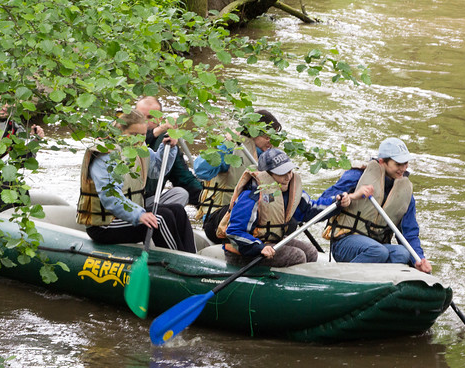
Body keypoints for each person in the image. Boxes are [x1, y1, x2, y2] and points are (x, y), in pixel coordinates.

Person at [76, 110, 196, 253]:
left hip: (126, 216)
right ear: (120, 129)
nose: (139, 140)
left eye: (143, 135)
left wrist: (168, 147)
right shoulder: (106, 154)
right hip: (105, 225)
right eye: (133, 135)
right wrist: (139, 214)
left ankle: (192, 258)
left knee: (177, 210)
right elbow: (110, 196)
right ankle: (178, 264)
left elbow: (156, 170)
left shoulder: (138, 147)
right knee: (160, 219)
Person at [217, 148, 350, 268]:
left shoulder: (289, 190)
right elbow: (234, 232)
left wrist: (335, 202)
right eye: (281, 173)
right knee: (297, 256)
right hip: (244, 252)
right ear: (267, 175)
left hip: (270, 243)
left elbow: (309, 210)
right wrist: (259, 247)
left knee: (310, 251)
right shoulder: (251, 196)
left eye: (289, 171)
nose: (287, 177)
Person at [320, 137, 432, 273]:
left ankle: (378, 283)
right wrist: (347, 198)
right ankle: (344, 278)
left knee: (402, 253)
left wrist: (418, 260)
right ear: (382, 161)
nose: (403, 168)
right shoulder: (357, 176)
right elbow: (323, 202)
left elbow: (410, 234)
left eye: (406, 163)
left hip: (378, 248)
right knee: (378, 251)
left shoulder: (404, 193)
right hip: (346, 243)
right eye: (398, 164)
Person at [194, 109, 282, 243]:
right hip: (220, 218)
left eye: (274, 138)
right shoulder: (233, 148)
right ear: (253, 134)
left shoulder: (271, 158)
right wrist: (226, 145)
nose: (271, 142)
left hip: (252, 218)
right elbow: (200, 169)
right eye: (267, 137)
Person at [135, 96, 202, 209]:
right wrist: (160, 129)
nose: (145, 122)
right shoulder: (122, 131)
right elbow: (134, 141)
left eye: (150, 117)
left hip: (147, 200)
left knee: (181, 193)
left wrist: (206, 199)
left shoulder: (167, 144)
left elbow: (184, 179)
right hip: (124, 201)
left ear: (159, 119)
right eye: (140, 116)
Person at [0, 97, 45, 211]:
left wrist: (34, 140)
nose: (5, 106)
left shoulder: (14, 127)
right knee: (1, 187)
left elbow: (24, 162)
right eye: (0, 102)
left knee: (19, 189)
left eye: (9, 103)